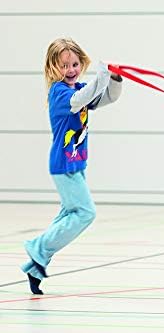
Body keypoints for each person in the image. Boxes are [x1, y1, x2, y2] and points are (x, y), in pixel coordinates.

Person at [20, 37, 123, 295]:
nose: (71, 70)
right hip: (63, 165)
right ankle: (37, 249)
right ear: (54, 68)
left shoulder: (79, 88)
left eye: (75, 64)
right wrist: (102, 74)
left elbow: (105, 97)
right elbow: (81, 98)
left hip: (77, 163)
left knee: (68, 215)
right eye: (65, 66)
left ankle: (35, 265)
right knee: (85, 213)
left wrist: (116, 79)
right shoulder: (60, 92)